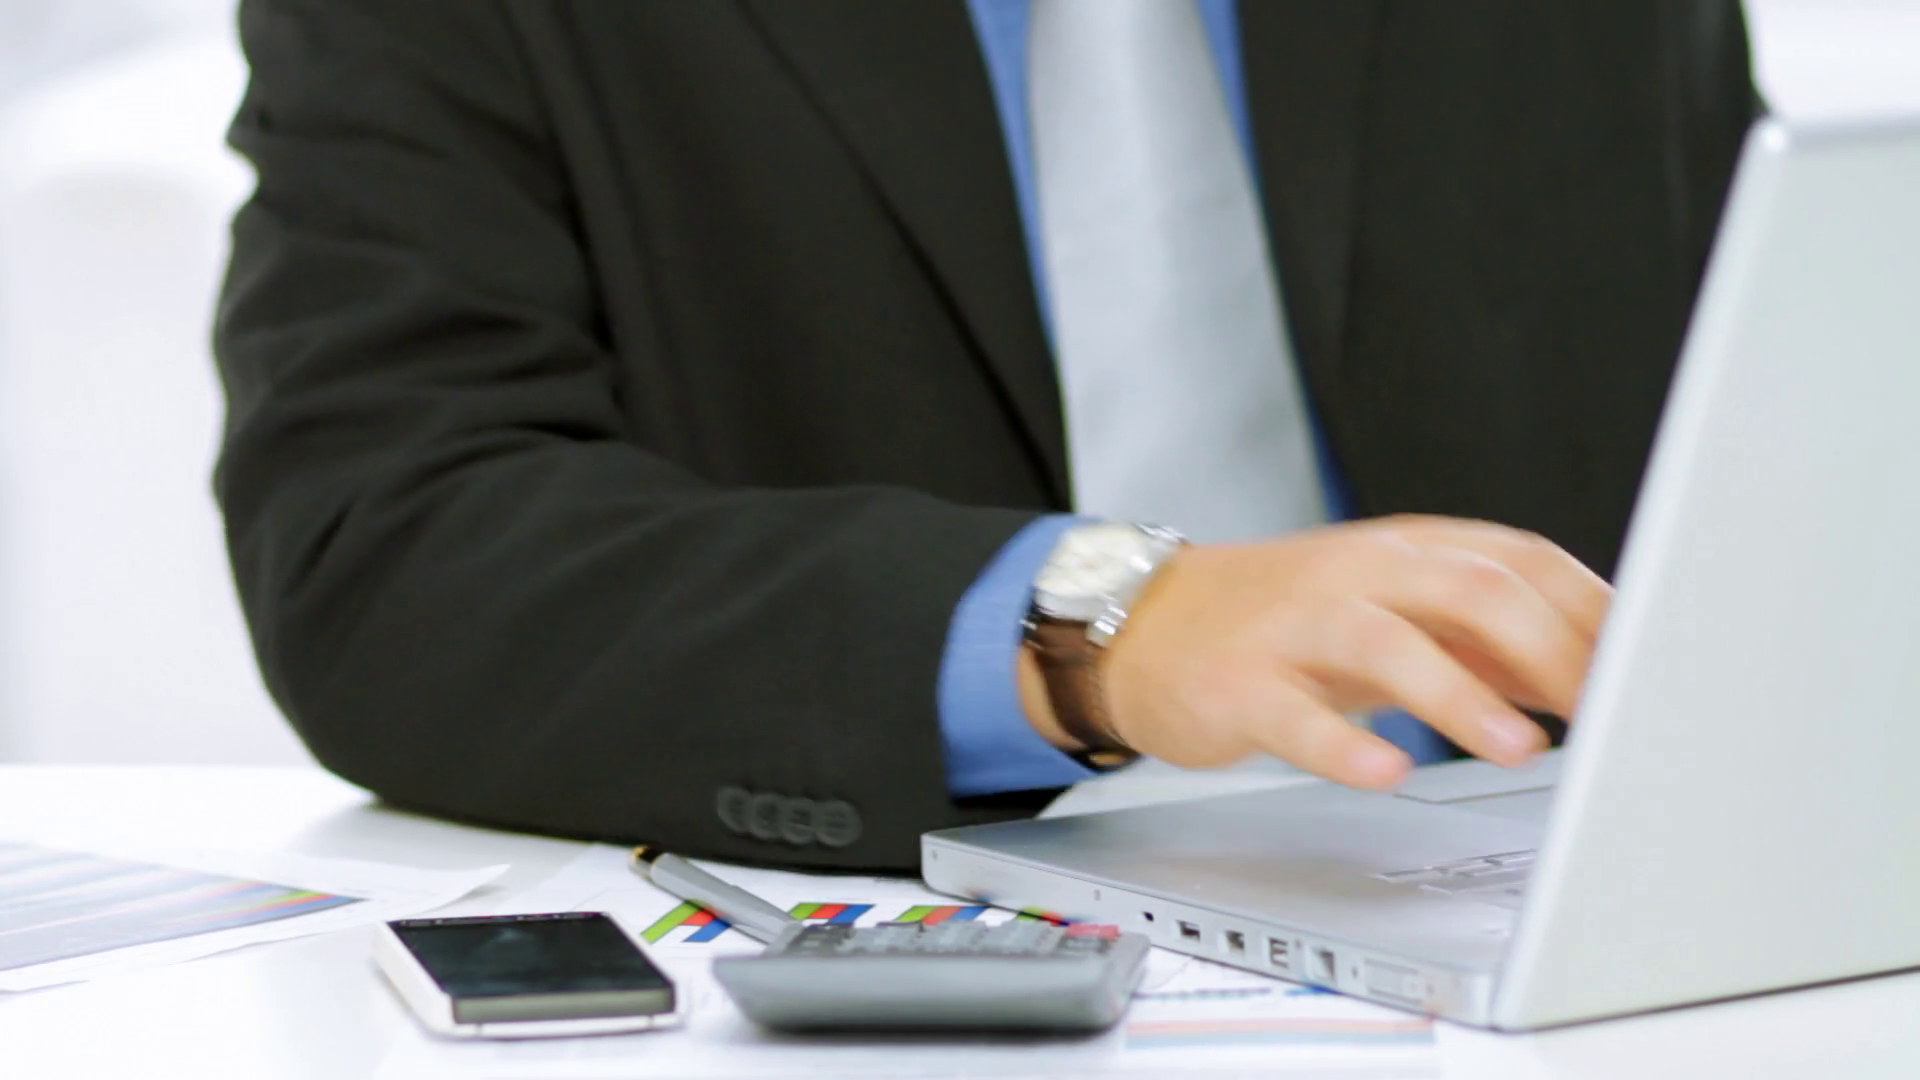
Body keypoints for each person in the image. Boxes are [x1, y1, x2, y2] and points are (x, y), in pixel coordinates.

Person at [213, 1, 1756, 871]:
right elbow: (382, 547)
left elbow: (1745, 401)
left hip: (1560, 900)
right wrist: (1093, 627)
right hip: (892, 947)